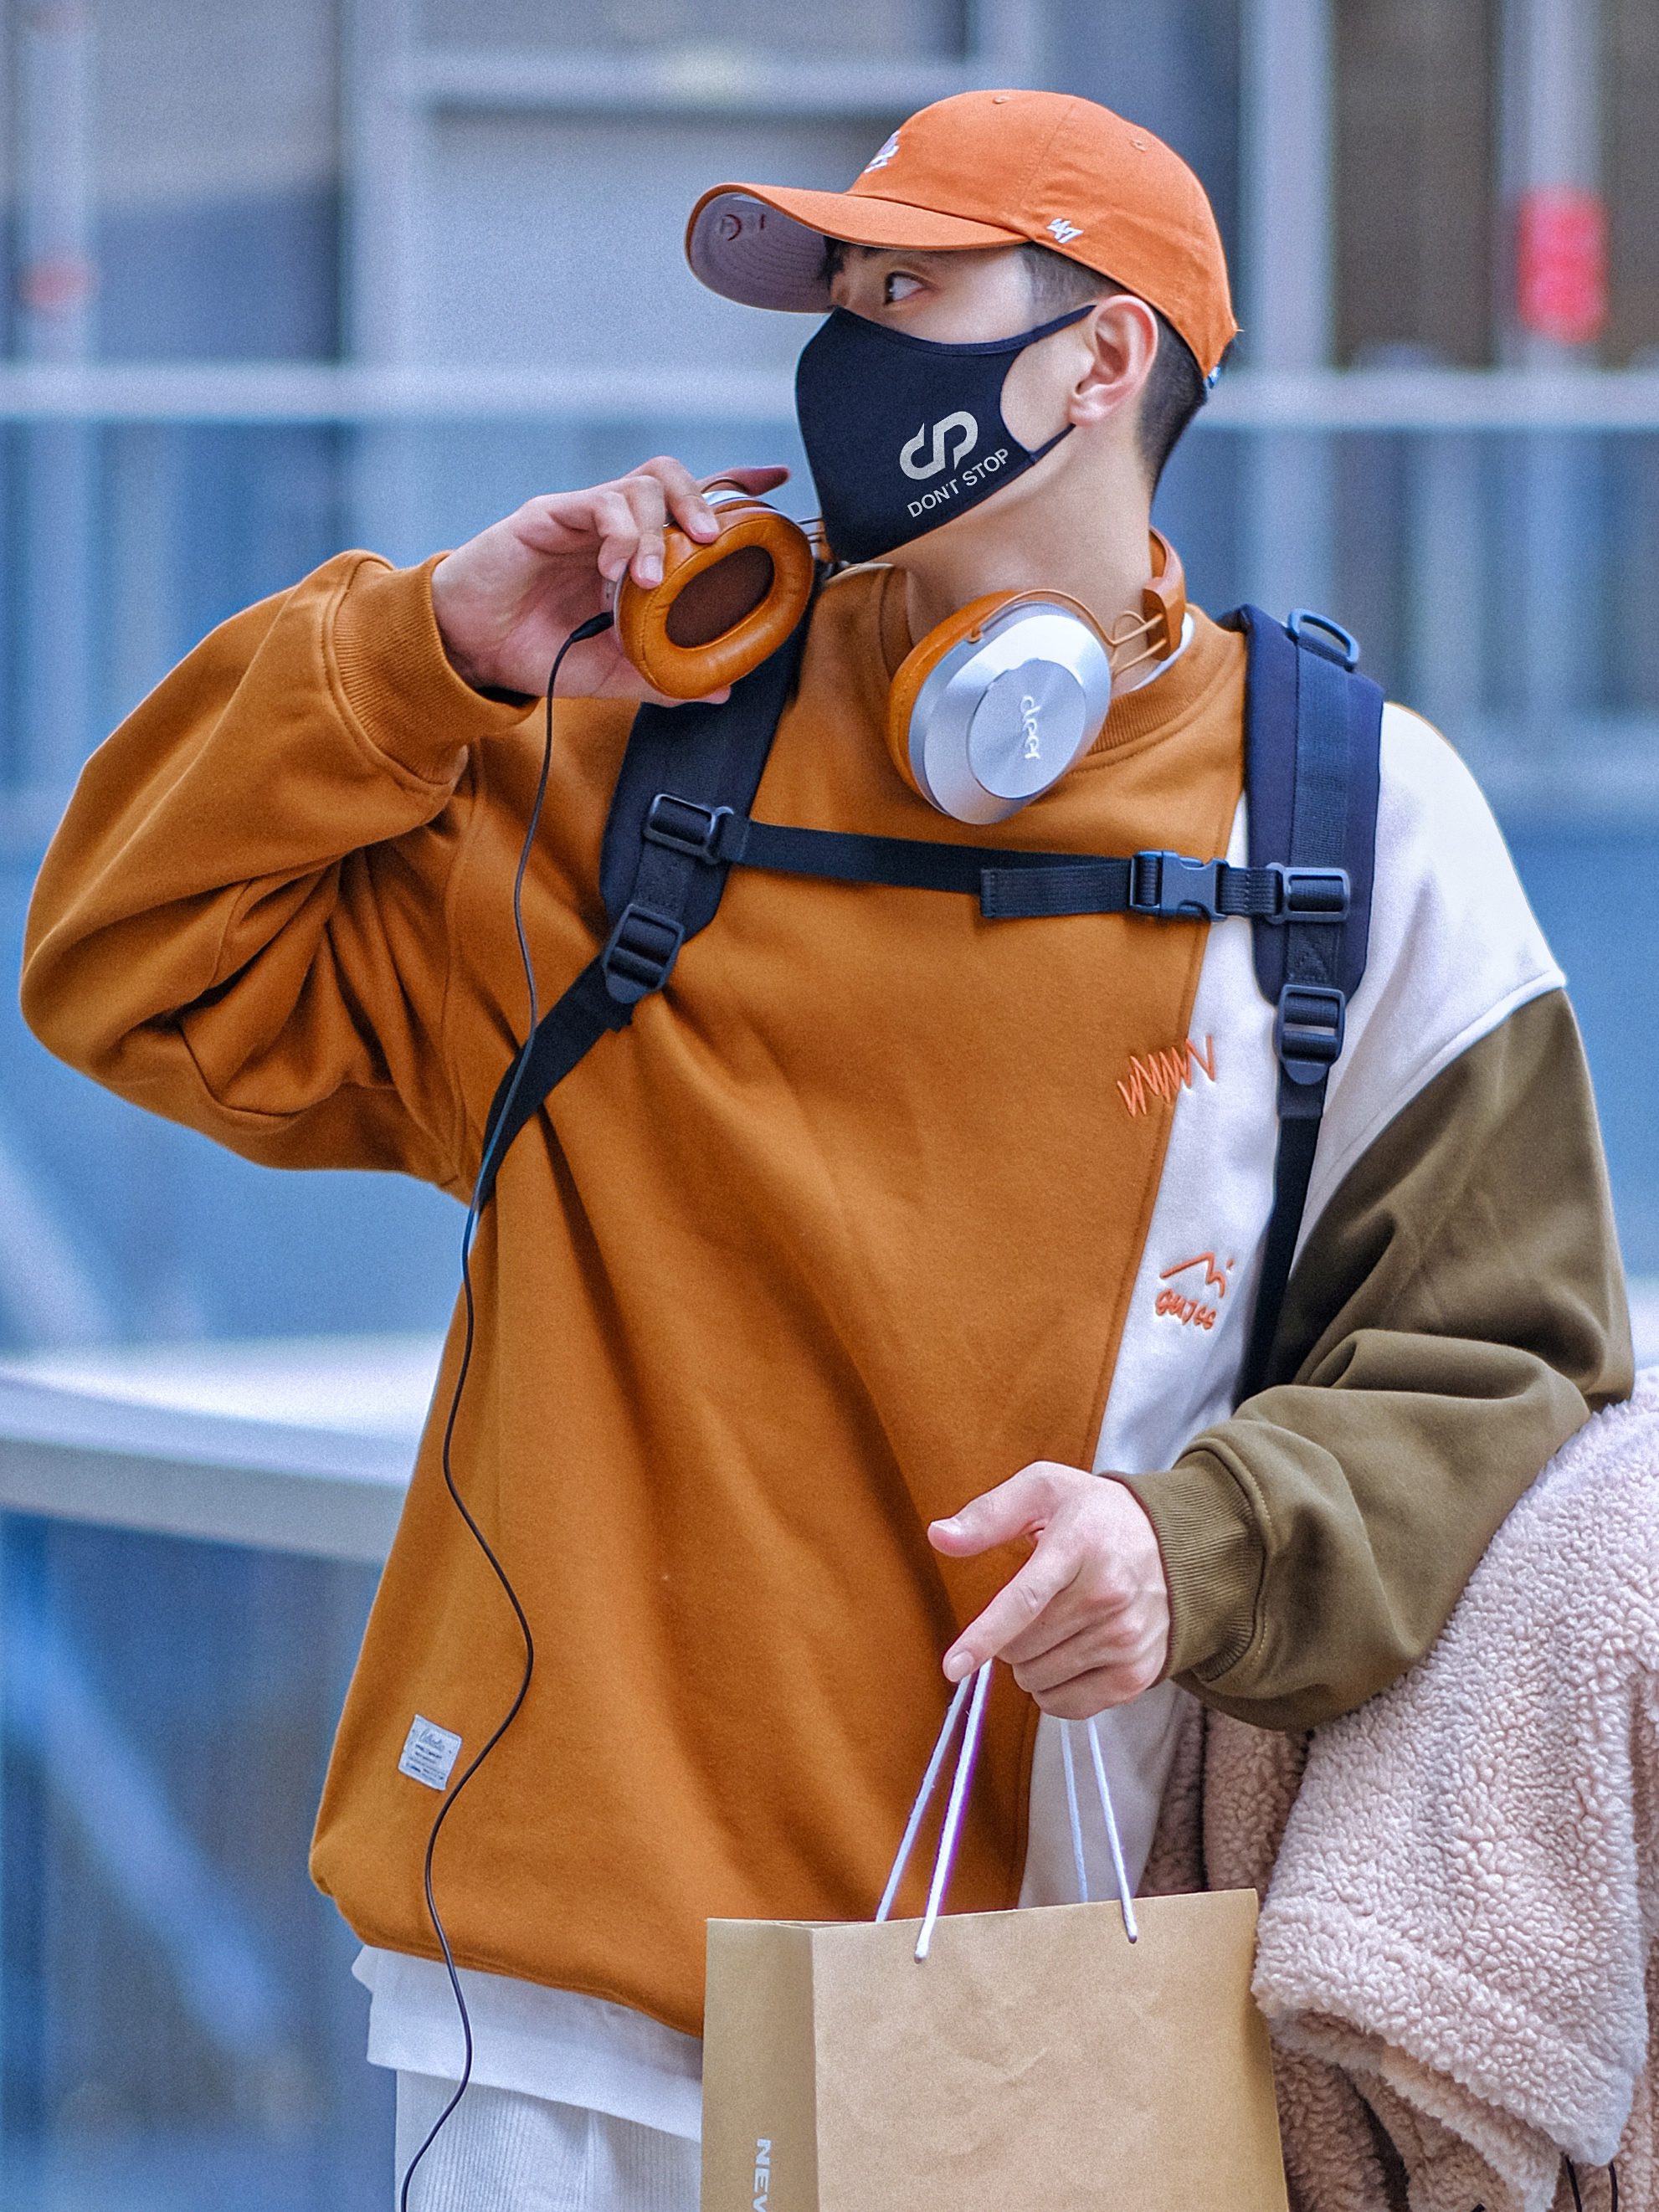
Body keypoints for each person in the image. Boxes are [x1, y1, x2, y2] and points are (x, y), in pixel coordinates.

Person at [21, 87, 1630, 2212]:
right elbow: (124, 961)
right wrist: (423, 651)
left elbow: (1507, 1358)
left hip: (1036, 2006)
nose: (849, 349)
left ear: (1100, 355)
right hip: (546, 2014)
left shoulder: (1350, 825)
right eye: (839, 295)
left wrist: (1196, 1551)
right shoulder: (627, 738)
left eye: (907, 291)